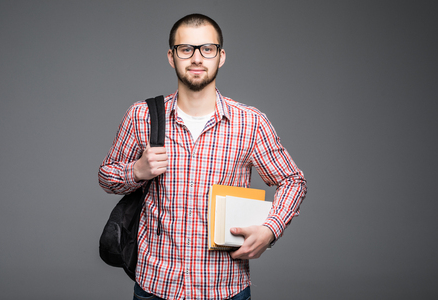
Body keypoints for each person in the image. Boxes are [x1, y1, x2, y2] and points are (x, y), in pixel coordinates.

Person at [99, 13, 307, 300]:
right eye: (186, 49)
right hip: (157, 284)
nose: (197, 58)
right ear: (172, 57)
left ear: (220, 56)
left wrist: (271, 230)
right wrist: (136, 171)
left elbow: (293, 181)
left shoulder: (250, 122)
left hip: (224, 286)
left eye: (207, 49)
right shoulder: (141, 116)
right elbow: (107, 176)